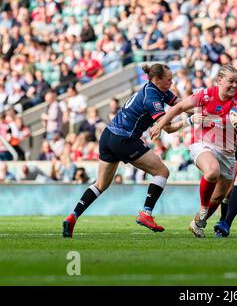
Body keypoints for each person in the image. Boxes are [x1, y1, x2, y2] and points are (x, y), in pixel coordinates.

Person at [62, 63, 184, 238]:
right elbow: (169, 128)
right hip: (124, 139)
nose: (172, 83)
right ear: (157, 79)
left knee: (101, 184)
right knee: (162, 172)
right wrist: (190, 122)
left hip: (108, 136)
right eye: (169, 80)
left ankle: (72, 217)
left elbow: (180, 104)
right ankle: (146, 213)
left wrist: (202, 108)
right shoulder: (152, 98)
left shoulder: (156, 89)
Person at [150, 64, 237, 238]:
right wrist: (159, 125)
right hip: (204, 144)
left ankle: (197, 222)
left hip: (228, 152)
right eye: (231, 81)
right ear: (219, 81)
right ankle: (204, 208)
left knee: (219, 196)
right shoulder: (205, 95)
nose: (235, 85)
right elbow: (178, 108)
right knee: (212, 172)